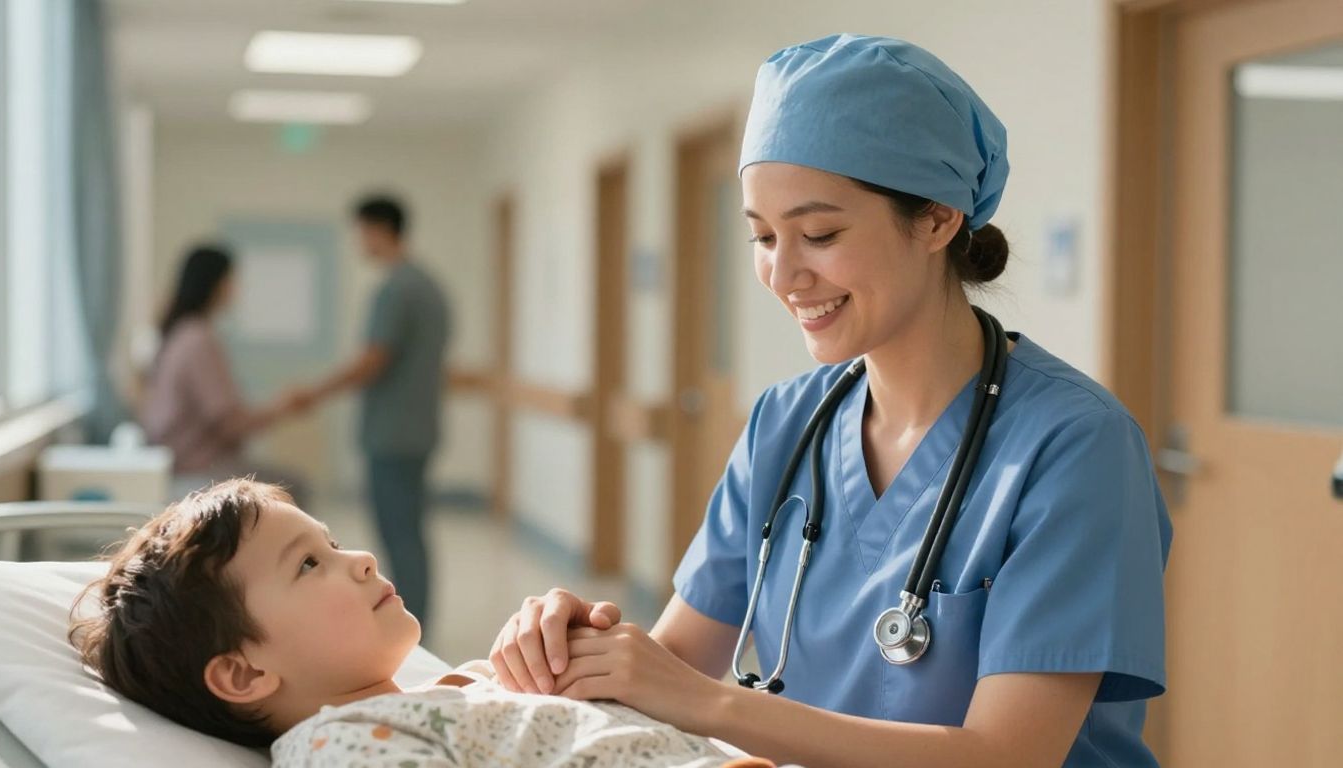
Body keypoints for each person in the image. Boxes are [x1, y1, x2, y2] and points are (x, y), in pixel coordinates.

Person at [487, 34, 1172, 768]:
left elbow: (1006, 754)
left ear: (939, 219)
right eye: (762, 236)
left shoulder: (1074, 446)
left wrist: (707, 702)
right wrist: (571, 646)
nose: (784, 275)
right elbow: (677, 662)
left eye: (820, 233)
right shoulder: (786, 423)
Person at [68, 479, 779, 768]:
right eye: (309, 565)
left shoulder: (452, 690)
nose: (362, 559)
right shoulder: (338, 747)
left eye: (334, 543)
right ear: (245, 671)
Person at [294, 196, 451, 628]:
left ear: (380, 229)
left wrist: (315, 392)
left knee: (399, 533)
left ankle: (412, 624)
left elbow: (372, 360)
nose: (359, 242)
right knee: (410, 531)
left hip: (393, 434)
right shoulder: (429, 286)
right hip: (417, 429)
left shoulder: (397, 289)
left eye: (362, 232)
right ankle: (418, 619)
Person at [140, 243, 308, 504]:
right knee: (295, 487)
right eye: (232, 281)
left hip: (179, 463)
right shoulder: (198, 339)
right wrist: (281, 408)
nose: (236, 290)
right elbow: (230, 424)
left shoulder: (179, 334)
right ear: (217, 284)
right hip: (197, 469)